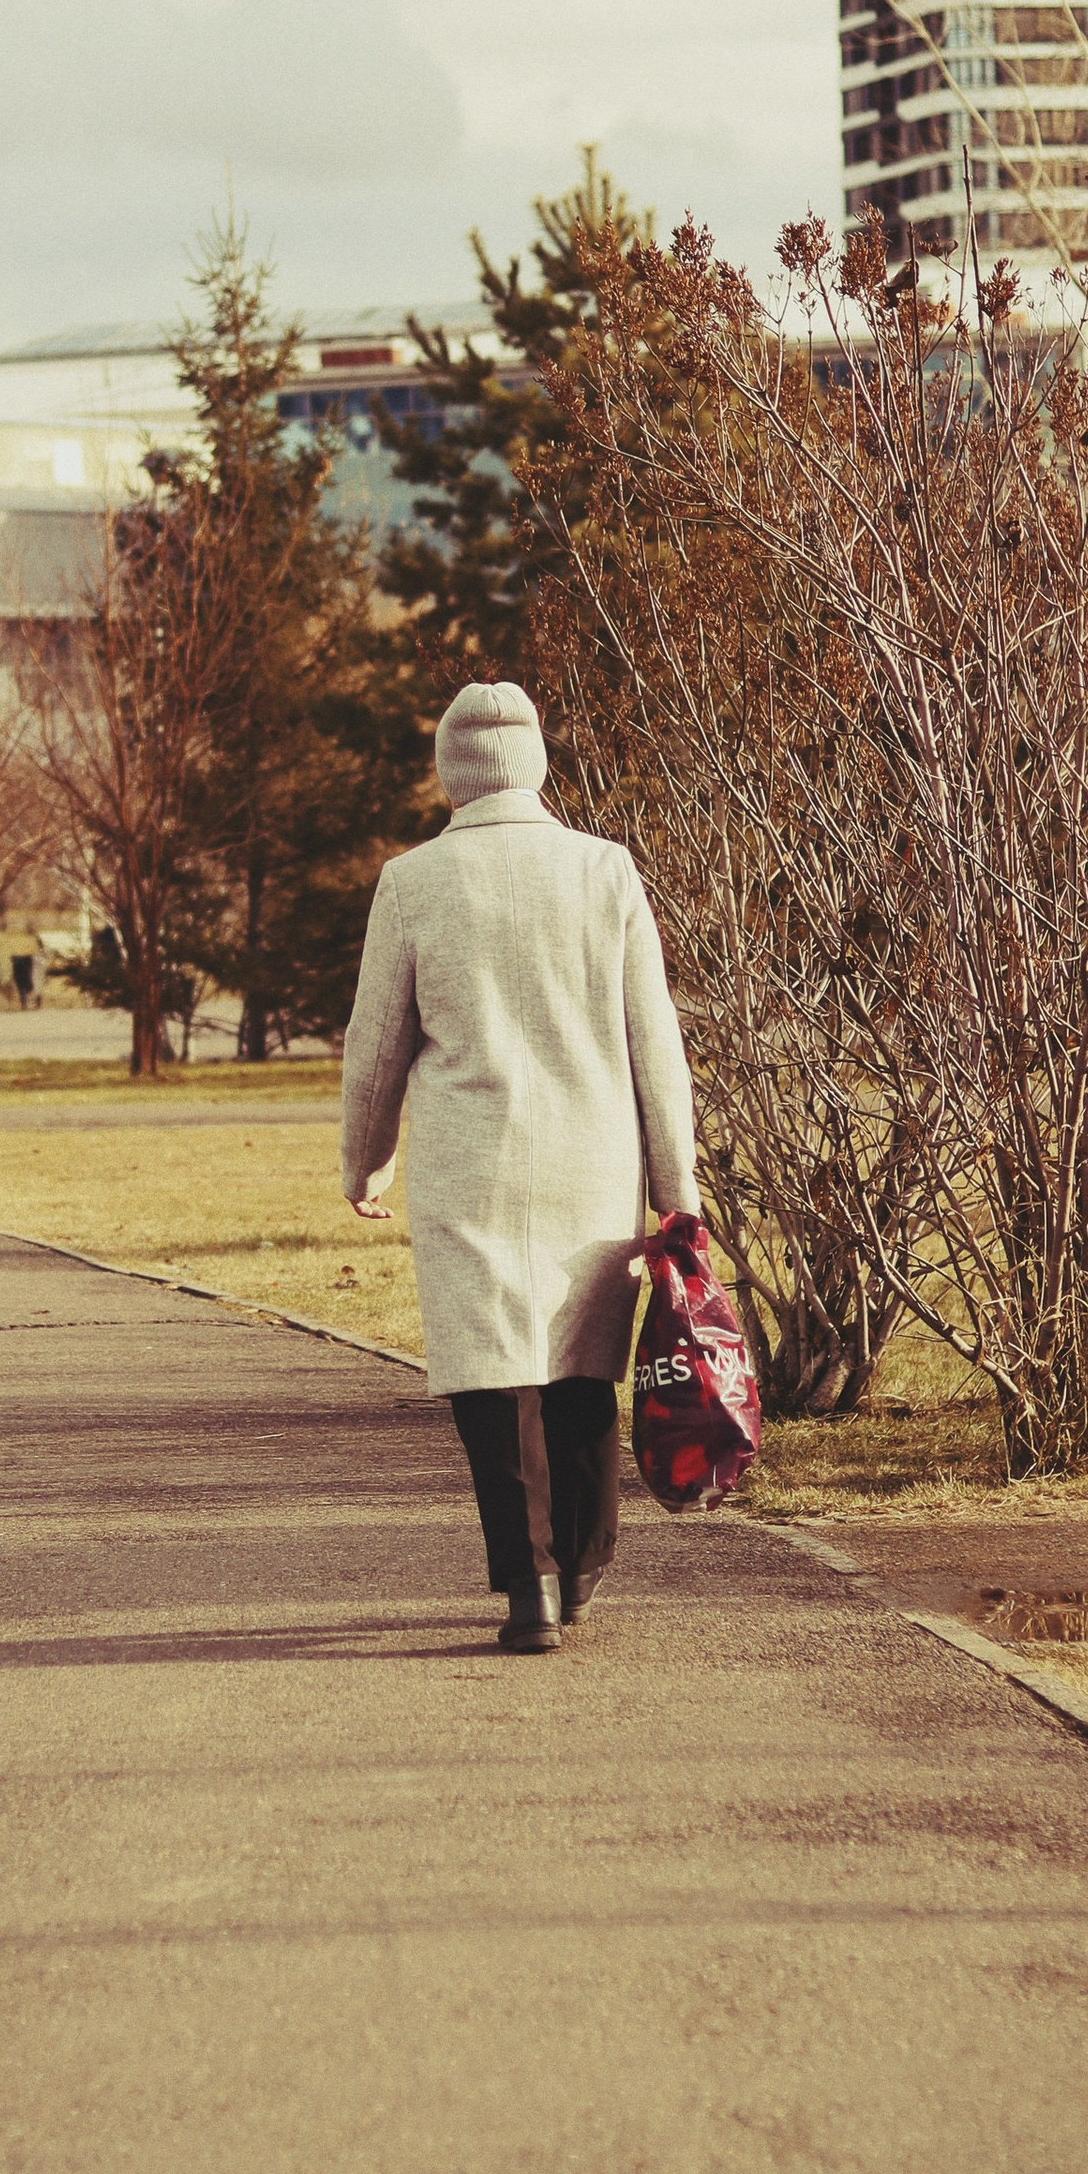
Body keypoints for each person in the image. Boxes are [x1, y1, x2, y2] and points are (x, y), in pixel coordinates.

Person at [341, 678, 698, 1655]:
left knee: (490, 1378)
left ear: (449, 771)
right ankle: (583, 1561)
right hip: (591, 1164)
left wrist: (365, 1164)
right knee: (584, 1368)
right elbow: (653, 1043)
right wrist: (678, 1192)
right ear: (536, 762)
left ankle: (526, 1585)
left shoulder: (412, 882)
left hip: (471, 1166)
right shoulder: (604, 871)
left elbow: (376, 1048)